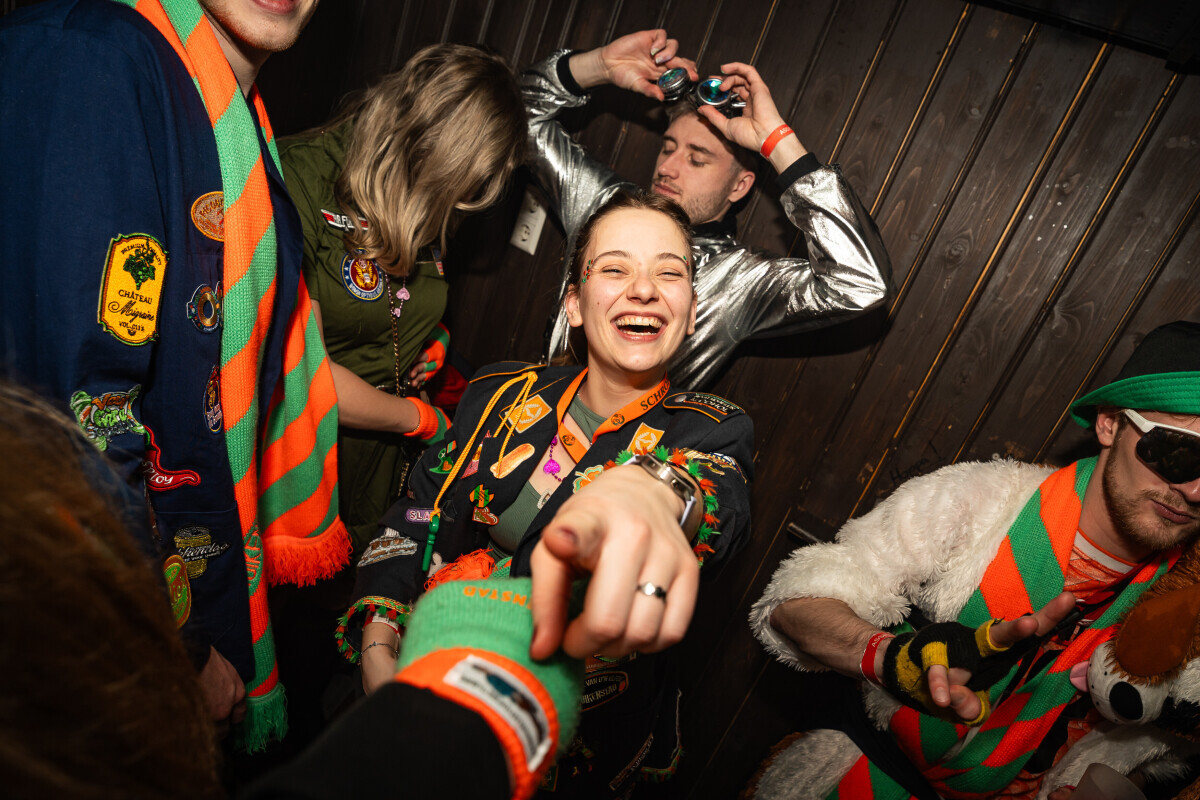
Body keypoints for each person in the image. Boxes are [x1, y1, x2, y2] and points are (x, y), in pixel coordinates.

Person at [0, 0, 350, 753]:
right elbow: (61, 415)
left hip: (195, 552)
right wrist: (173, 641)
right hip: (100, 612)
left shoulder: (238, 116)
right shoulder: (93, 58)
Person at [341, 191, 754, 796]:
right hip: (426, 668)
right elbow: (418, 511)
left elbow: (715, 492)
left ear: (691, 312)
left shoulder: (712, 429)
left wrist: (655, 494)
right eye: (615, 268)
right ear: (574, 304)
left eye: (670, 273)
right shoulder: (501, 392)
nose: (644, 289)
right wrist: (380, 642)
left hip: (567, 743)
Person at [747, 320, 1200, 799]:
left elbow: (1170, 749)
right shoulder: (978, 502)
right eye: (1180, 453)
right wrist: (892, 659)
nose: (1194, 492)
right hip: (862, 772)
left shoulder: (1184, 599)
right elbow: (796, 601)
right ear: (1110, 424)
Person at [522, 29, 892, 390]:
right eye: (668, 148)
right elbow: (517, 118)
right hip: (531, 410)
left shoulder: (738, 281)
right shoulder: (604, 204)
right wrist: (600, 65)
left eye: (697, 160)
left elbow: (862, 284)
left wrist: (777, 142)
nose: (667, 168)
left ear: (739, 186)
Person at [279, 43, 527, 552]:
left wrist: (431, 334)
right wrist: (421, 420)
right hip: (303, 459)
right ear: (434, 150)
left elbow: (398, 294)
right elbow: (308, 375)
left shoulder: (417, 188)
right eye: (463, 185)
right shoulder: (300, 178)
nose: (462, 203)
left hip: (375, 464)